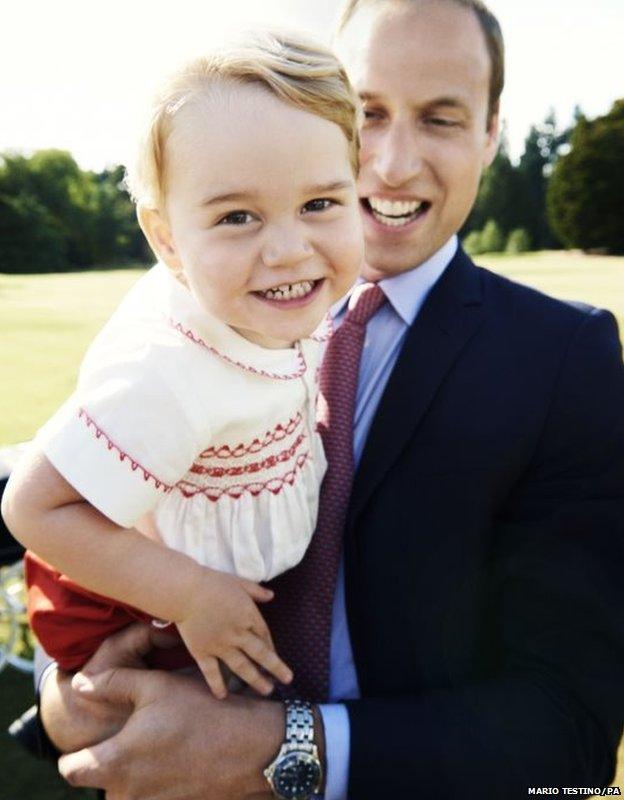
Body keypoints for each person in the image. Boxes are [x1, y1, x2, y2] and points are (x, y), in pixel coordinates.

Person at [17, 0, 624, 798]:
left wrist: (290, 751)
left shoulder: (564, 360)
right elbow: (81, 522)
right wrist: (65, 696)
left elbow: (569, 742)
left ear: (491, 133)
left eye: (441, 119)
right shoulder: (195, 315)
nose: (394, 163)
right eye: (367, 113)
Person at [2, 33, 364, 698]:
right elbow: (32, 506)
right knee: (185, 759)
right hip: (133, 604)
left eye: (319, 203)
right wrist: (191, 593)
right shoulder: (168, 369)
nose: (288, 249)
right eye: (236, 217)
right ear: (168, 239)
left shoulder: (275, 310)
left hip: (200, 585)